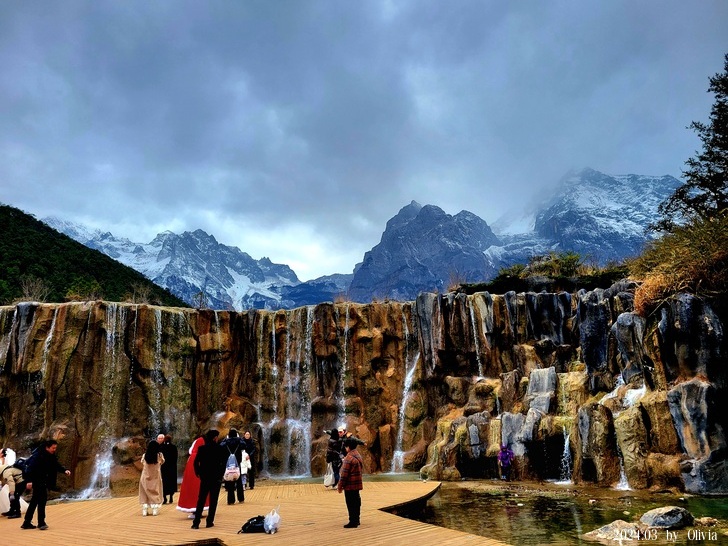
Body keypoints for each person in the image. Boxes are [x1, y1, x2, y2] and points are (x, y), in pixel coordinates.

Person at [21, 439, 71, 530]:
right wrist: (29, 481)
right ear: (47, 447)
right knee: (42, 501)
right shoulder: (38, 456)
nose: (54, 450)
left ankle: (27, 522)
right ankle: (41, 522)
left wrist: (64, 470)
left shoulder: (50, 456)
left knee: (34, 501)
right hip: (38, 481)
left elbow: (56, 465)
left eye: (55, 448)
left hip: (43, 481)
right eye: (53, 448)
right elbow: (29, 468)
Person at [191, 429, 226, 530]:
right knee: (213, 500)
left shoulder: (202, 448)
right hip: (216, 478)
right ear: (215, 438)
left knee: (201, 499)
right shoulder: (220, 449)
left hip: (205, 477)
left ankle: (196, 522)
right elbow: (223, 464)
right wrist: (221, 475)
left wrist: (198, 473)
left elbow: (195, 462)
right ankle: (209, 521)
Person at [176, 436, 209, 518]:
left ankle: (194, 510)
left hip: (191, 480)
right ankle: (200, 509)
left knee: (192, 492)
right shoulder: (203, 455)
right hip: (201, 479)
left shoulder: (191, 457)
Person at [337, 437, 364, 528]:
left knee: (350, 503)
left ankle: (352, 521)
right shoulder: (358, 455)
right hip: (357, 483)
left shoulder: (348, 458)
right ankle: (357, 519)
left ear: (348, 447)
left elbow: (344, 474)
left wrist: (340, 486)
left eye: (346, 446)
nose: (345, 448)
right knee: (356, 502)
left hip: (349, 485)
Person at [139, 439, 165, 516]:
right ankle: (155, 508)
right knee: (156, 490)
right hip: (156, 476)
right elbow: (162, 462)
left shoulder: (145, 456)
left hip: (145, 476)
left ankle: (145, 508)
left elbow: (142, 462)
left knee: (144, 491)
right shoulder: (159, 455)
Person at [220, 429, 245, 504]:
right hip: (237, 463)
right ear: (236, 434)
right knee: (239, 481)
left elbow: (220, 446)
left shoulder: (226, 442)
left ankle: (231, 500)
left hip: (228, 464)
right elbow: (244, 445)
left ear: (229, 435)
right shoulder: (239, 441)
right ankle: (241, 499)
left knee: (230, 481)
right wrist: (239, 438)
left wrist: (225, 439)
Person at [0, 454, 27, 519]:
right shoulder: (4, 471)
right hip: (19, 481)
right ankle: (12, 511)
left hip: (22, 481)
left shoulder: (6, 472)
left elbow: (11, 482)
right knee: (11, 495)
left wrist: (12, 493)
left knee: (15, 496)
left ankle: (17, 513)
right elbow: (4, 481)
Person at [160, 434, 178, 505]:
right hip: (172, 468)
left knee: (164, 482)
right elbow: (176, 457)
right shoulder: (173, 447)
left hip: (164, 468)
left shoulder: (161, 447)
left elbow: (160, 458)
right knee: (171, 482)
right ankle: (171, 497)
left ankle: (164, 498)